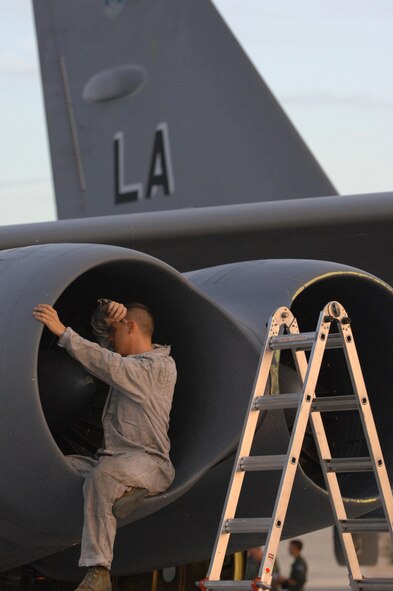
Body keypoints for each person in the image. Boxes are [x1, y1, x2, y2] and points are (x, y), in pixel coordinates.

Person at [33, 300, 177, 591]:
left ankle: (98, 571)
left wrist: (63, 332)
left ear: (132, 327)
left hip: (149, 463)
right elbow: (103, 342)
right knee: (66, 466)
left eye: (116, 332)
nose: (111, 338)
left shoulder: (157, 368)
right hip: (116, 460)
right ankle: (125, 492)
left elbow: (106, 362)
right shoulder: (131, 362)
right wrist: (106, 311)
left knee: (104, 475)